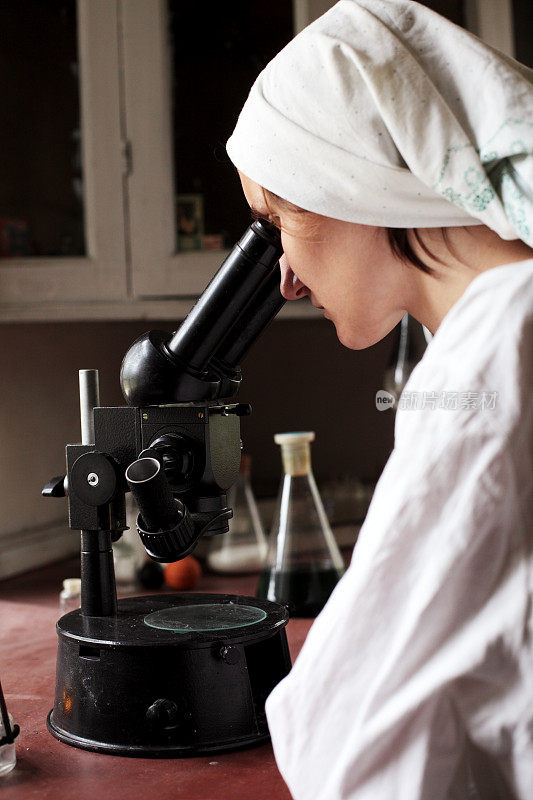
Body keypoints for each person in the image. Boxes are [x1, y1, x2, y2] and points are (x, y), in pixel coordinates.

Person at [226, 1, 533, 798]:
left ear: (350, 179)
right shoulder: (497, 328)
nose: (285, 281)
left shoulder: (500, 345)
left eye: (276, 220)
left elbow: (360, 742)